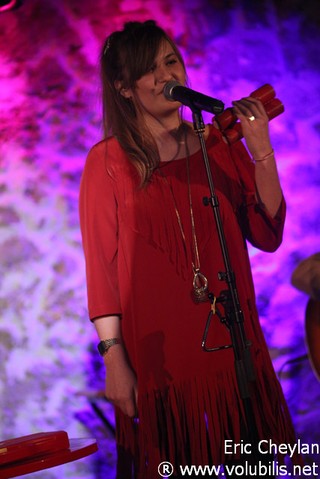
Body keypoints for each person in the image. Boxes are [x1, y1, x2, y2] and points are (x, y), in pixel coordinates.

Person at [79, 20, 297, 479]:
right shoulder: (107, 163)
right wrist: (113, 358)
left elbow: (267, 233)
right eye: (149, 69)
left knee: (250, 467)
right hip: (162, 360)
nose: (166, 76)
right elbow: (101, 269)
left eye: (170, 61)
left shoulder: (214, 141)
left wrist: (262, 154)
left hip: (232, 346)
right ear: (122, 87)